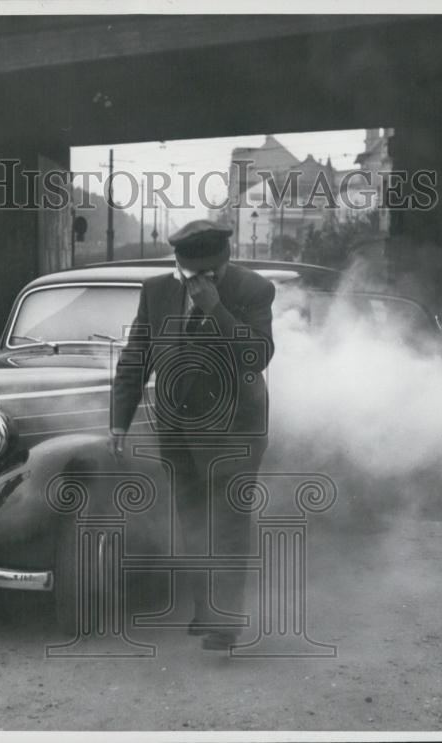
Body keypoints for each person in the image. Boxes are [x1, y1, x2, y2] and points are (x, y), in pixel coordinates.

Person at [110, 219, 276, 650]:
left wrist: (217, 308)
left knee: (228, 522)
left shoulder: (252, 289)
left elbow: (257, 356)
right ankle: (207, 607)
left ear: (225, 260)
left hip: (234, 428)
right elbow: (135, 359)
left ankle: (225, 620)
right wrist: (118, 422)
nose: (200, 282)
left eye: (210, 274)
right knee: (192, 519)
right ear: (179, 265)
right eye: (192, 275)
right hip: (177, 429)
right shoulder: (157, 291)